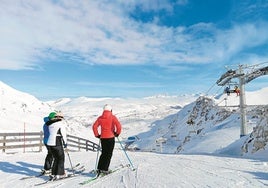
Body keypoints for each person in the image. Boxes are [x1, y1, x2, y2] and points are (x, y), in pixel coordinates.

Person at [92, 104, 122, 175]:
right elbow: (119, 126)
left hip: (103, 138)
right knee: (109, 154)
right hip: (110, 138)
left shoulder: (100, 118)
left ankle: (99, 168)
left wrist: (97, 135)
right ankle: (105, 169)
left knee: (104, 153)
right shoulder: (113, 117)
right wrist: (117, 133)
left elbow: (94, 126)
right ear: (111, 110)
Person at [46, 112, 68, 180]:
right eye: (61, 117)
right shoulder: (60, 124)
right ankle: (60, 174)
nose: (62, 119)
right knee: (61, 158)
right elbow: (63, 134)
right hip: (57, 141)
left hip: (50, 142)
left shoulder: (50, 123)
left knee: (56, 158)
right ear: (59, 117)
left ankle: (54, 173)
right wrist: (65, 143)